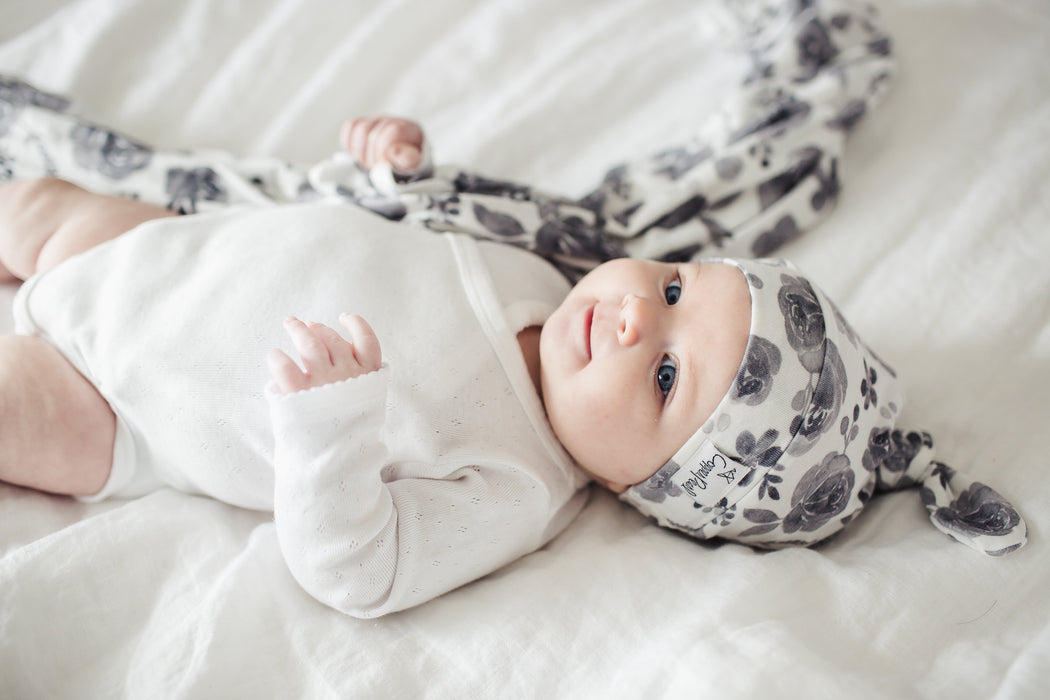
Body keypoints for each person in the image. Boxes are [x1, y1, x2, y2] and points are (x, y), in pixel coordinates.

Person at [0, 1, 1026, 620]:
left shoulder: (516, 486)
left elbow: (358, 571)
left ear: (652, 488)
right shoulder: (545, 271)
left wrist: (329, 432)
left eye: (667, 376)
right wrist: (393, 172)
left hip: (123, 402)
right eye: (672, 288)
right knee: (31, 203)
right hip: (155, 246)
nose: (634, 318)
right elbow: (399, 237)